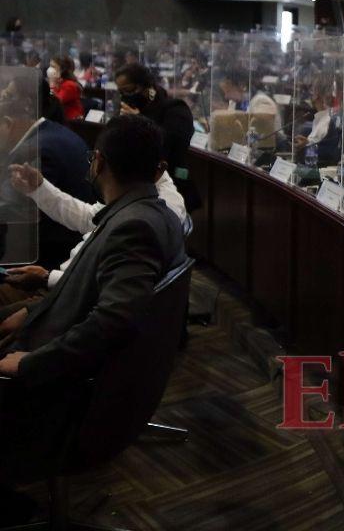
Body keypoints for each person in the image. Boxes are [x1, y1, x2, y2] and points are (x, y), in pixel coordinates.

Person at [0, 116, 185, 516]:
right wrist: (34, 309)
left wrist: (32, 363)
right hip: (76, 374)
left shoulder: (134, 226)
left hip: (57, 397)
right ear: (158, 170)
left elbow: (111, 322)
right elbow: (95, 283)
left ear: (97, 163)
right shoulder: (150, 212)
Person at [0, 159, 186, 314]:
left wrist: (47, 277)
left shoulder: (146, 220)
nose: (96, 169)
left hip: (66, 298)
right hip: (64, 286)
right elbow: (87, 217)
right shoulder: (138, 192)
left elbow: (105, 294)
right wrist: (39, 188)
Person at [0, 92, 94, 271]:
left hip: (55, 256)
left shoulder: (36, 150)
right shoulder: (50, 131)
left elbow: (15, 211)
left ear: (7, 123)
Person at [116, 62, 200, 211]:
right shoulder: (129, 110)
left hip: (173, 187)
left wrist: (139, 121)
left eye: (128, 90)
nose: (124, 97)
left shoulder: (175, 109)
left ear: (146, 87)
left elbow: (171, 143)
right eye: (120, 92)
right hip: (136, 188)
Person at [52, 56, 83, 121]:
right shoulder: (60, 82)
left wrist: (53, 83)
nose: (50, 69)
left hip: (71, 121)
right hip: (61, 119)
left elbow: (57, 101)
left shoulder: (69, 85)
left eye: (53, 67)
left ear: (62, 69)